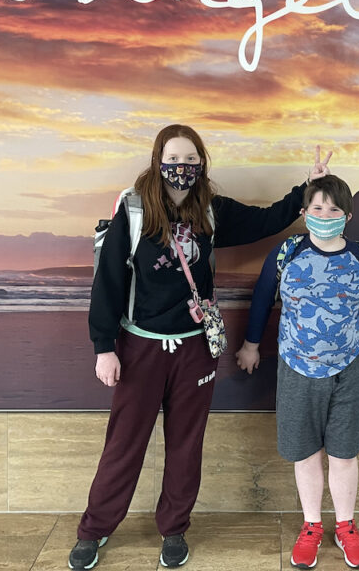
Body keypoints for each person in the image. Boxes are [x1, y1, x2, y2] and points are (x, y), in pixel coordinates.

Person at [69, 124, 331, 571]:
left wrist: (306, 188)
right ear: (158, 160)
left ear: (201, 164)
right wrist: (103, 346)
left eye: (192, 160)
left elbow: (266, 219)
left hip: (195, 350)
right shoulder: (133, 210)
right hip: (141, 347)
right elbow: (108, 282)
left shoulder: (210, 210)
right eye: (175, 158)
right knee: (124, 444)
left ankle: (174, 530)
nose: (183, 167)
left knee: (186, 445)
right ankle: (94, 530)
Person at [236, 175, 359, 570]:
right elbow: (264, 298)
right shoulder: (287, 251)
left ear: (347, 215)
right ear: (304, 213)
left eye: (334, 209)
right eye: (317, 208)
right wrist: (251, 344)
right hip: (297, 366)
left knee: (343, 452)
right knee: (305, 453)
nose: (325, 215)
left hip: (349, 367)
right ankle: (312, 526)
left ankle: (346, 526)